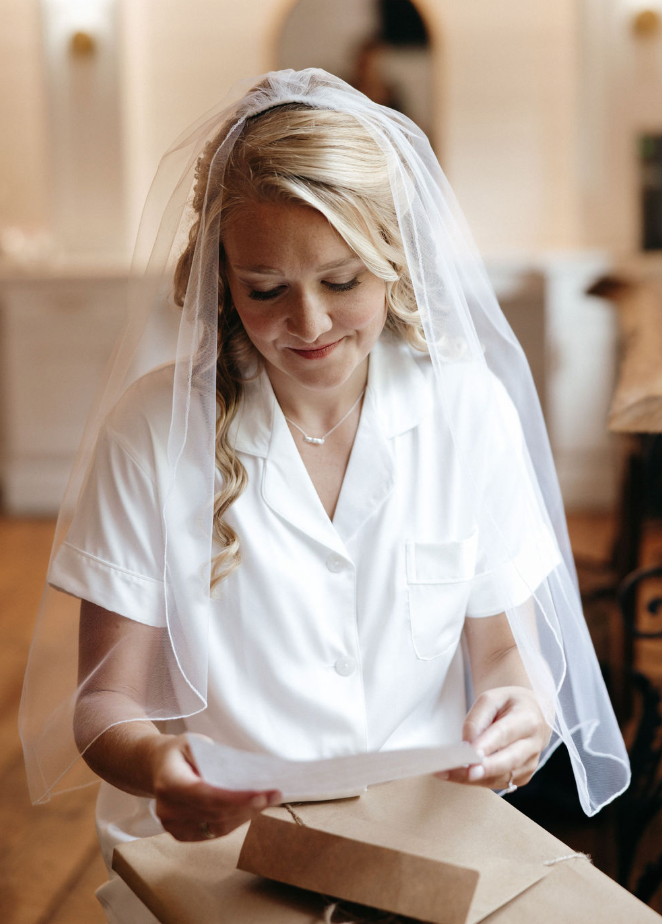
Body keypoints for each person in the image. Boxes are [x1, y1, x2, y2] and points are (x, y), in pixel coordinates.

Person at [20, 69, 629, 924]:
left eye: (342, 282)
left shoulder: (466, 407)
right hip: (220, 856)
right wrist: (160, 768)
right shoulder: (152, 429)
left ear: (395, 260)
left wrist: (521, 711)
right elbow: (105, 703)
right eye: (264, 289)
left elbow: (502, 654)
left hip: (429, 842)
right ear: (219, 276)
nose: (307, 325)